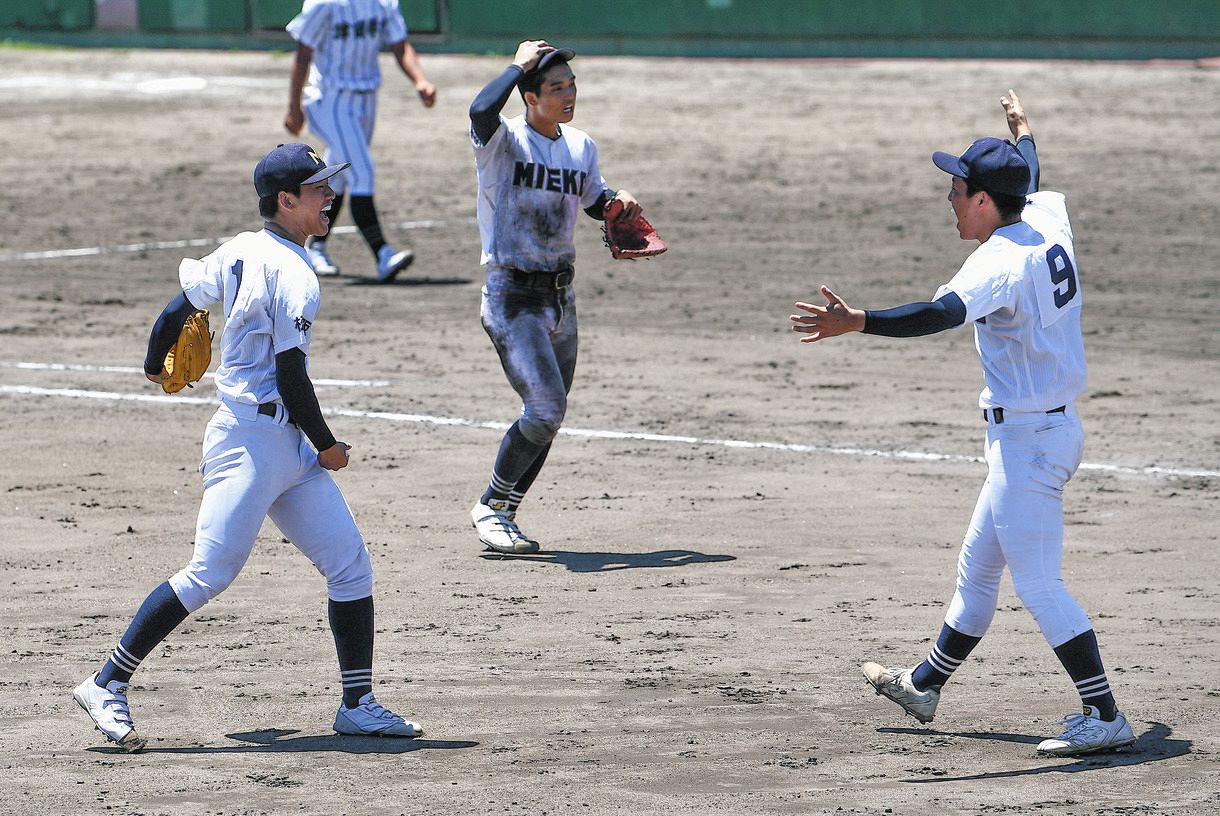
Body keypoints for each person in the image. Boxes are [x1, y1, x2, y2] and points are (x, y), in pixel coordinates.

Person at [789, 91, 1136, 757]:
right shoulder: (1044, 214)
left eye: (957, 188)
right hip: (1041, 432)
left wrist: (859, 322)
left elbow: (940, 313)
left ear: (984, 200)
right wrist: (1024, 133)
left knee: (1037, 583)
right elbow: (1026, 175)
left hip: (1031, 442)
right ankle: (923, 686)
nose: (949, 197)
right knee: (977, 570)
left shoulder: (1000, 261)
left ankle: (1104, 713)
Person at [72, 143, 423, 752]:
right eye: (318, 191)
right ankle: (106, 682)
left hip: (282, 446)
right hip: (250, 444)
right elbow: (292, 376)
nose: (330, 199)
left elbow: (179, 306)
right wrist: (328, 445)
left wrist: (156, 362)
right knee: (210, 571)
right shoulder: (295, 273)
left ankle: (358, 704)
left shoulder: (238, 247)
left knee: (350, 565)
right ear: (286, 201)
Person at [465, 40, 645, 554]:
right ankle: (490, 507)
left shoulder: (581, 146)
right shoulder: (501, 142)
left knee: (551, 415)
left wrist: (617, 202)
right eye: (555, 88)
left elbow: (593, 200)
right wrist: (518, 64)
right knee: (544, 410)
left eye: (572, 86)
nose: (568, 96)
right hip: (512, 296)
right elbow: (480, 109)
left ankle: (504, 513)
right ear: (529, 95)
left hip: (561, 299)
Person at [283, 0, 436, 282]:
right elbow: (303, 54)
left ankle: (315, 247)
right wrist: (294, 107)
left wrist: (420, 80)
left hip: (366, 101)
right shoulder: (324, 4)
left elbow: (400, 45)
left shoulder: (384, 3)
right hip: (331, 99)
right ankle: (382, 253)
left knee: (337, 176)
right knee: (361, 171)